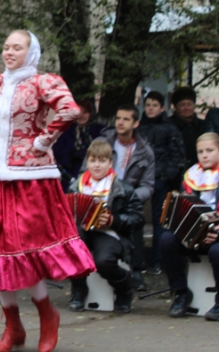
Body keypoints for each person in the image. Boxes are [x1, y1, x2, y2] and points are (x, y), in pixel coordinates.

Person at [0, 29, 94, 352]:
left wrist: (43, 141)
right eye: (6, 47)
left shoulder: (43, 82)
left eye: (17, 47)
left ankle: (47, 316)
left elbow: (70, 110)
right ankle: (13, 327)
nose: (9, 52)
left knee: (25, 251)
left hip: (30, 178)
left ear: (31, 53)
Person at [159, 132, 219, 321]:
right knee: (166, 240)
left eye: (210, 150)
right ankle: (181, 293)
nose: (204, 155)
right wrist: (171, 211)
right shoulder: (190, 177)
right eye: (200, 151)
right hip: (193, 233)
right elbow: (185, 208)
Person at [67, 141, 144, 313]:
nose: (96, 165)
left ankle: (125, 287)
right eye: (93, 160)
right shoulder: (76, 187)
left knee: (104, 261)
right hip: (82, 232)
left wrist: (113, 220)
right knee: (71, 249)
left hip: (110, 233)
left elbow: (137, 218)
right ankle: (79, 290)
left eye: (102, 161)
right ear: (87, 162)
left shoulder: (122, 188)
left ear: (110, 163)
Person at [96, 105, 155, 291]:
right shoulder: (103, 142)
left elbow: (148, 185)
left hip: (128, 198)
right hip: (100, 195)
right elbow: (85, 170)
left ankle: (136, 269)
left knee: (134, 219)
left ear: (136, 123)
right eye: (118, 118)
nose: (120, 122)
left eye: (126, 119)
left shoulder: (145, 151)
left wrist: (130, 197)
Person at [136, 91, 185, 275]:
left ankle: (156, 261)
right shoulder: (139, 127)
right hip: (140, 180)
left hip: (160, 180)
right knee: (136, 219)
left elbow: (177, 155)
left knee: (159, 220)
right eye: (148, 105)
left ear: (162, 108)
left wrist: (165, 176)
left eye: (154, 105)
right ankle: (137, 261)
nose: (150, 108)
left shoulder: (170, 129)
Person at [53, 98, 105, 191]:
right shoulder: (67, 130)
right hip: (70, 178)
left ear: (91, 113)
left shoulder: (100, 131)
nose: (81, 115)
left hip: (95, 177)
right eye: (78, 111)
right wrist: (70, 155)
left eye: (85, 112)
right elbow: (56, 152)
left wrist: (87, 154)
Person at [169, 86, 205, 173]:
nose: (186, 108)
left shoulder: (203, 125)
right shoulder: (168, 125)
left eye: (189, 104)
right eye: (182, 105)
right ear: (176, 107)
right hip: (174, 173)